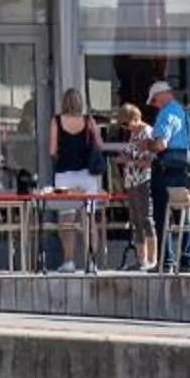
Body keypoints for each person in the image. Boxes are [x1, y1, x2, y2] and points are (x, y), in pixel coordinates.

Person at [47, 88, 104, 273]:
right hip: (87, 175)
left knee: (66, 220)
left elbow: (52, 150)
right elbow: (99, 144)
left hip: (64, 174)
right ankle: (91, 262)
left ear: (64, 102)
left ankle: (69, 261)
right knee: (89, 219)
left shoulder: (56, 121)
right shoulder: (89, 121)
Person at [146, 79, 190, 271]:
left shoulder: (166, 113)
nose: (155, 105)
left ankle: (165, 262)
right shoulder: (183, 112)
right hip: (181, 169)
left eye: (154, 100)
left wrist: (147, 144)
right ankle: (187, 260)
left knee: (162, 216)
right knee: (183, 215)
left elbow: (160, 144)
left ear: (162, 95)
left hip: (164, 170)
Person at [111, 104, 158, 271]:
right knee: (136, 221)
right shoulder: (133, 134)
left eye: (126, 124)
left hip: (144, 180)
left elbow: (151, 161)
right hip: (131, 181)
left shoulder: (148, 133)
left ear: (135, 119)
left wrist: (130, 161)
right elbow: (131, 154)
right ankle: (141, 259)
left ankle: (152, 260)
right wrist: (123, 158)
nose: (126, 128)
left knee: (147, 219)